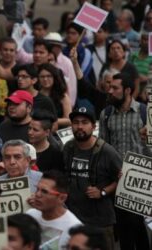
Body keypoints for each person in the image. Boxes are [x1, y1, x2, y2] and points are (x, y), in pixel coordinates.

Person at [98, 73, 150, 250]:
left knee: (135, 223)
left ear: (127, 90)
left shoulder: (144, 112)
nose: (110, 91)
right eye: (109, 87)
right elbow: (103, 147)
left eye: (115, 88)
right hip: (117, 178)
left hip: (142, 178)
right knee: (126, 224)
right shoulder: (106, 114)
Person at [63, 107, 122, 250]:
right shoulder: (68, 147)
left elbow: (122, 179)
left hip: (100, 221)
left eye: (84, 122)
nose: (80, 126)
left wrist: (102, 192)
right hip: (74, 219)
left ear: (93, 126)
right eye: (76, 122)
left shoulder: (107, 151)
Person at [27, 170, 81, 250]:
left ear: (62, 198)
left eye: (44, 192)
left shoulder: (74, 229)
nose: (37, 194)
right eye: (37, 189)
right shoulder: (30, 215)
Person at [44, 32, 77, 107]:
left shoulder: (67, 63)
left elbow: (71, 87)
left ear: (60, 47)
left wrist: (70, 105)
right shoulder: (41, 59)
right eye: (49, 45)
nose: (51, 48)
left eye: (54, 46)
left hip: (60, 103)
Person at [38, 63, 71, 128]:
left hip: (58, 132)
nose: (45, 79)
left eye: (48, 76)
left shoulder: (63, 96)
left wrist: (49, 121)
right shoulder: (35, 95)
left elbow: (69, 120)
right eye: (42, 76)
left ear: (54, 77)